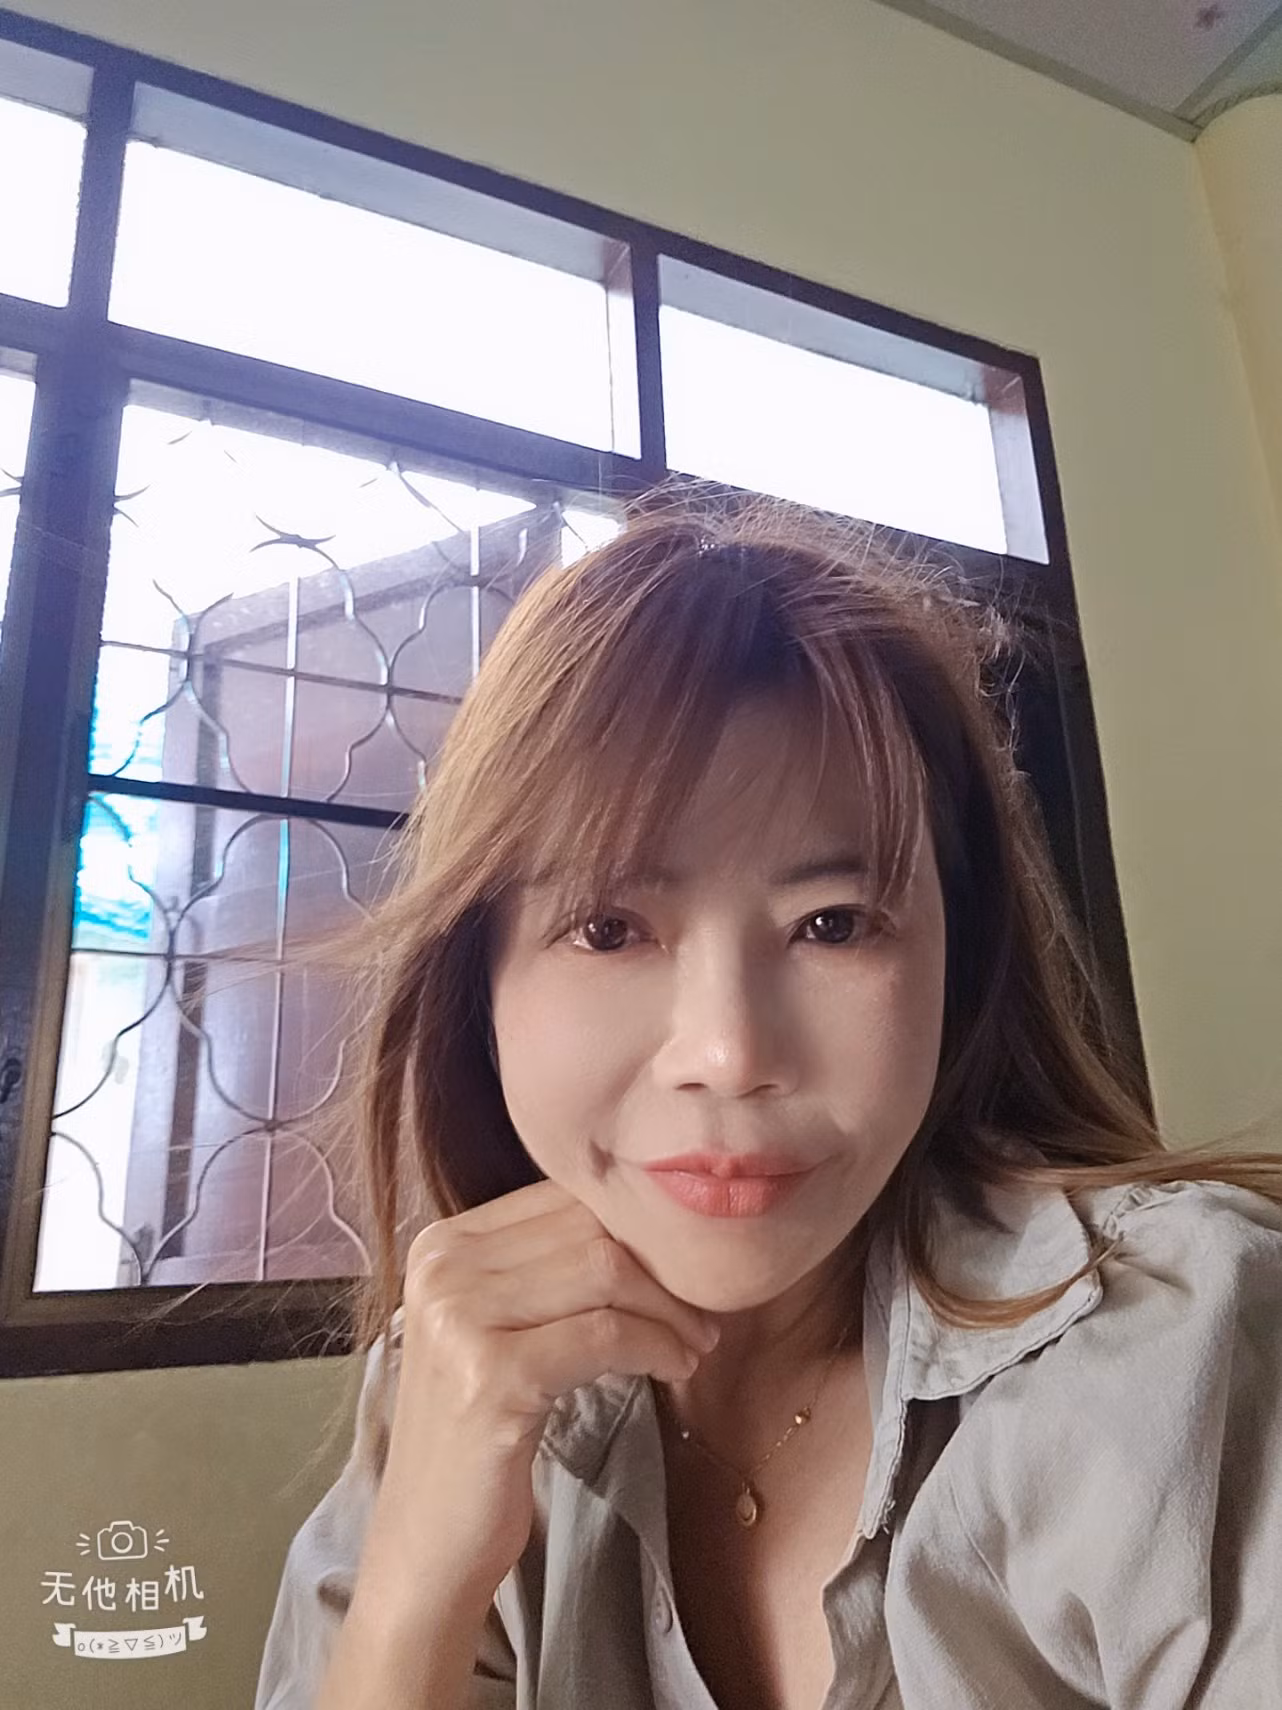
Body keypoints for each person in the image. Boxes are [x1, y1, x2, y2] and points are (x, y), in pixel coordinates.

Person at [254, 495, 1282, 1710]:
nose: (728, 1053)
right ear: (476, 977)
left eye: (832, 924)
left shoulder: (1176, 1348)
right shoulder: (449, 1378)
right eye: (608, 928)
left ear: (957, 961)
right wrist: (416, 1587)